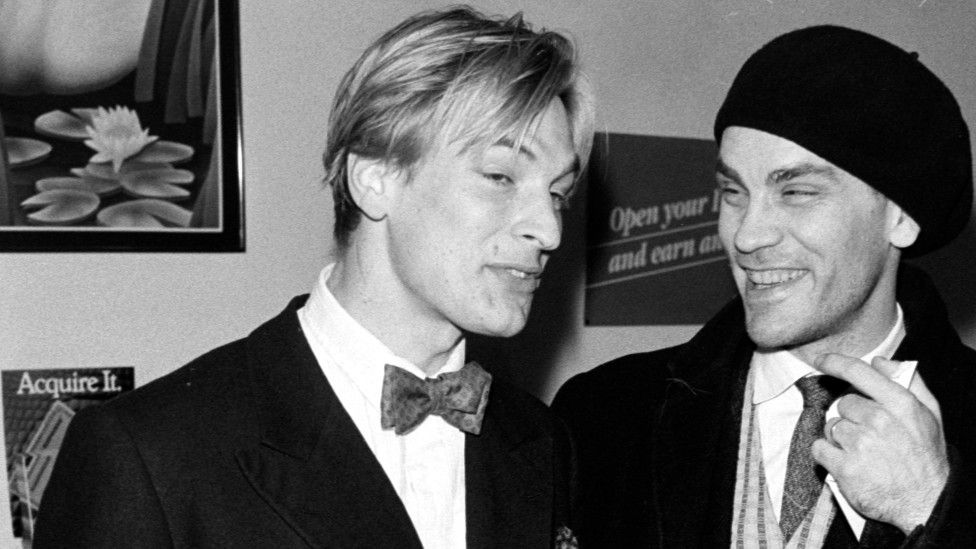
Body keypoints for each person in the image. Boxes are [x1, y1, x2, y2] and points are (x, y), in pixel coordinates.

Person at [34, 7, 594, 548]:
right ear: (373, 177)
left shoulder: (542, 442)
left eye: (558, 195)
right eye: (500, 176)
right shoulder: (147, 454)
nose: (549, 230)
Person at [553, 25, 975, 548]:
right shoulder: (604, 417)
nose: (747, 235)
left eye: (796, 191)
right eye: (733, 191)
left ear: (901, 218)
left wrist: (931, 508)